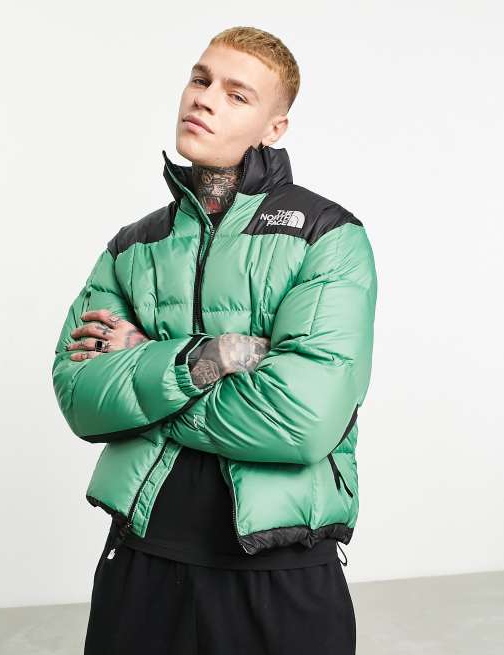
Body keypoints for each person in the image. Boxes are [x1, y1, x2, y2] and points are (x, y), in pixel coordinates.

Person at [52, 25, 377, 655]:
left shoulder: (327, 236)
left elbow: (301, 421)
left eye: (236, 94)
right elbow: (80, 396)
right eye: (200, 80)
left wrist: (145, 369)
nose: (203, 98)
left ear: (274, 127)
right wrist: (217, 356)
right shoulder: (132, 246)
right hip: (139, 564)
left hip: (280, 573)